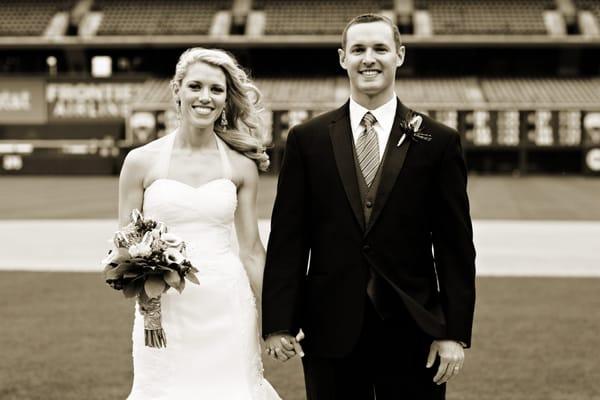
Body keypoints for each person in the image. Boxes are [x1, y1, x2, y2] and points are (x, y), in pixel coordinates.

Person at [262, 14, 476, 400]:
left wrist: (453, 332)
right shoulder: (307, 140)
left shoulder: (438, 141)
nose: (369, 58)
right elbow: (289, 239)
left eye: (380, 48)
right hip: (330, 328)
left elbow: (455, 247)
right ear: (343, 58)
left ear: (400, 55)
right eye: (358, 49)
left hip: (415, 329)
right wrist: (279, 322)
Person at [119, 47, 280, 399]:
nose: (205, 97)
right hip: (165, 311)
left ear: (226, 98)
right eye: (195, 86)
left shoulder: (241, 166)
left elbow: (252, 250)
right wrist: (149, 304)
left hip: (227, 304)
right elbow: (125, 248)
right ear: (177, 90)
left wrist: (274, 320)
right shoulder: (140, 162)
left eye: (216, 89)